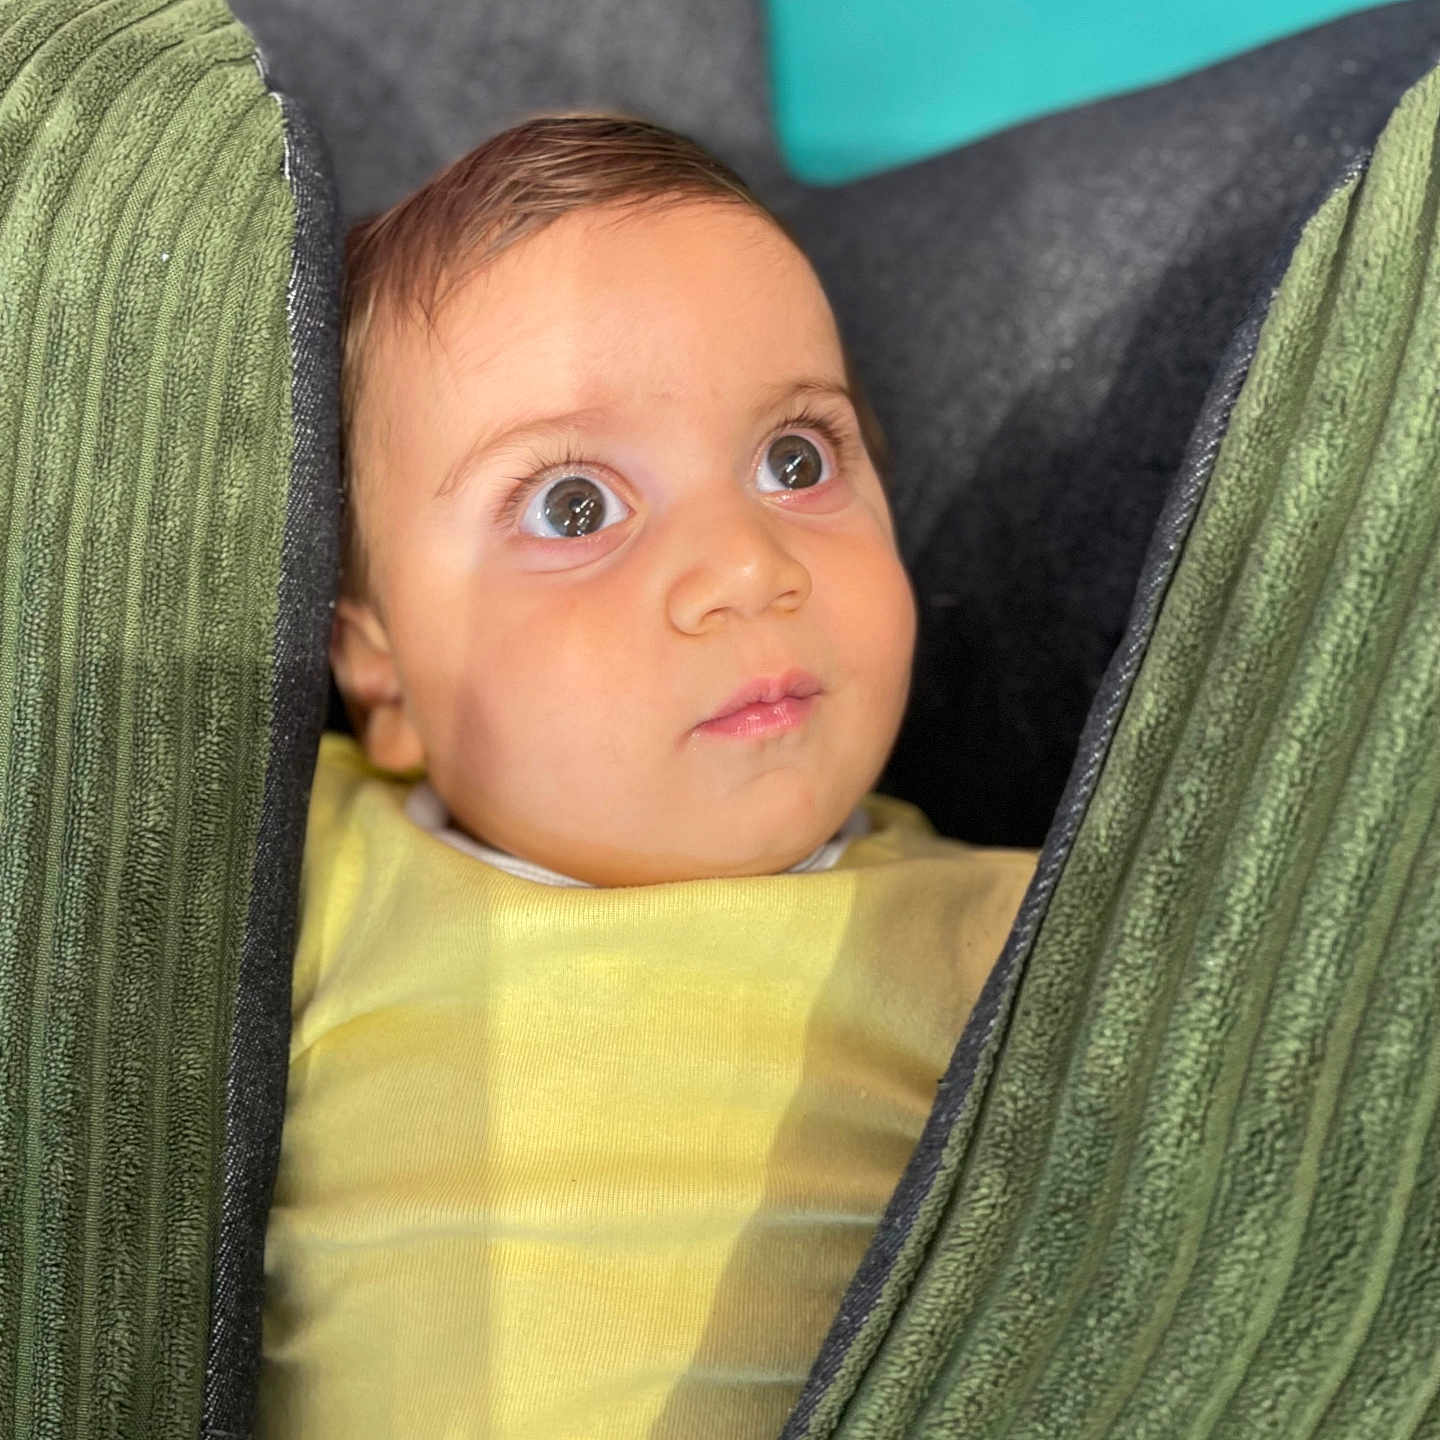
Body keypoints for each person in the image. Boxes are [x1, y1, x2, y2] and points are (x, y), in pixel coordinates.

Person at [257, 112, 1041, 1439]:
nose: (748, 565)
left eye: (796, 459)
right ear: (376, 669)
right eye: (574, 505)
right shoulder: (317, 869)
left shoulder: (1021, 932)